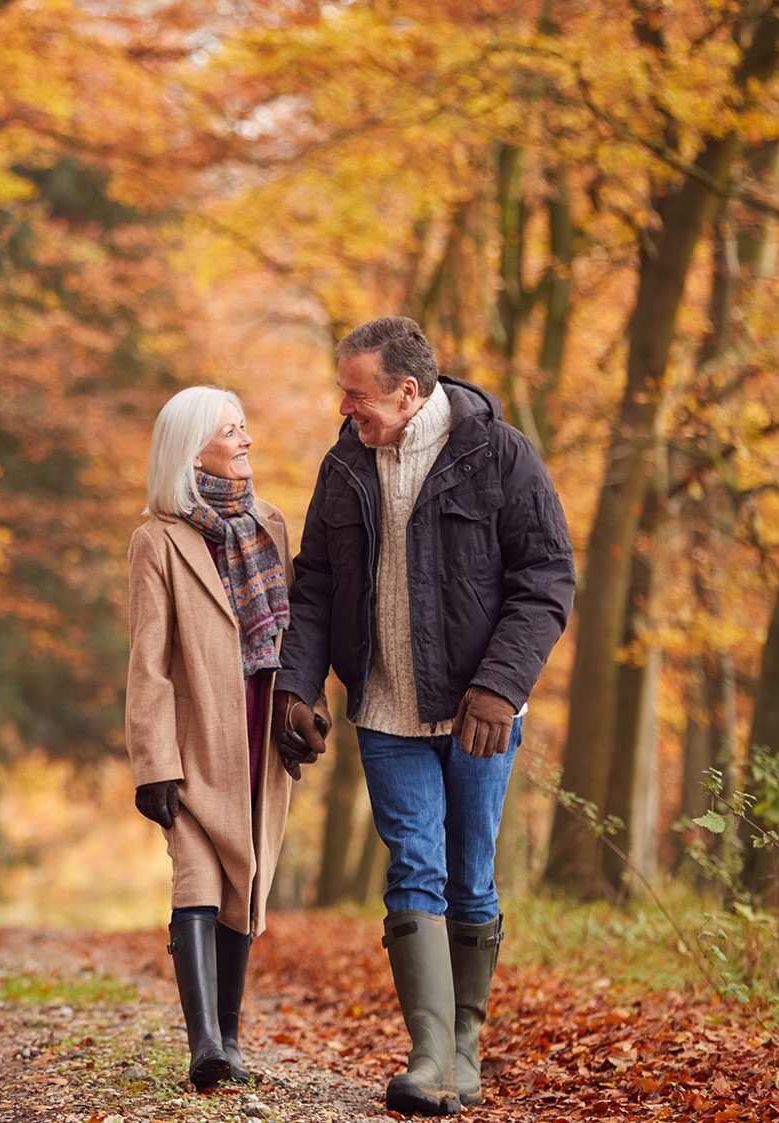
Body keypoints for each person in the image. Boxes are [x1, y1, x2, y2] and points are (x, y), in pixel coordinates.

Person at [273, 316, 575, 1115]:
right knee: (414, 864)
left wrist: (502, 685)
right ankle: (430, 1051)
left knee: (471, 870)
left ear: (408, 392)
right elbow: (313, 587)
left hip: (480, 712)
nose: (345, 408)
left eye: (357, 393)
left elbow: (547, 577)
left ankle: (465, 1049)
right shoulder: (343, 466)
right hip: (384, 709)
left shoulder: (499, 456)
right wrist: (297, 687)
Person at [125, 386, 323, 1091]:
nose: (245, 439)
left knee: (247, 883)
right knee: (198, 876)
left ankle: (232, 1037)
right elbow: (149, 662)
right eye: (230, 430)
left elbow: (294, 632)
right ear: (191, 448)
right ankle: (206, 1043)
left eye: (244, 427)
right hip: (196, 738)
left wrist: (306, 708)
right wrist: (153, 762)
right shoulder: (158, 540)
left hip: (261, 731)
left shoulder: (270, 522)